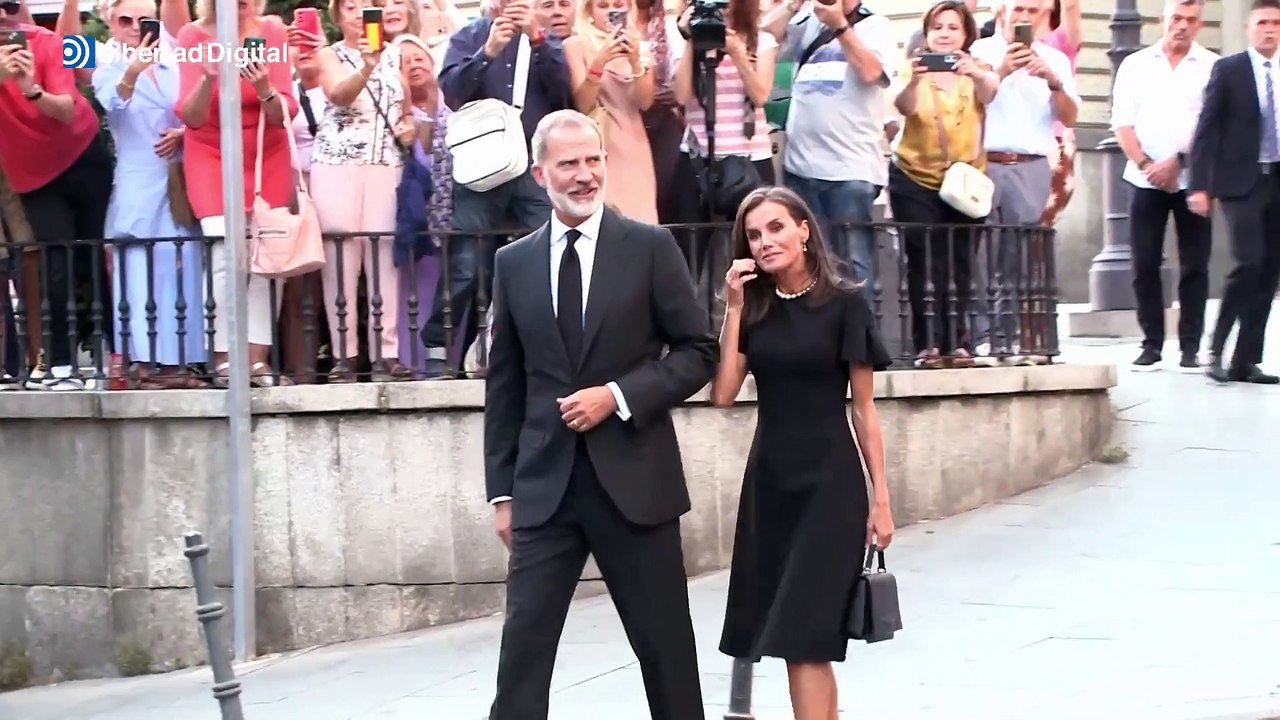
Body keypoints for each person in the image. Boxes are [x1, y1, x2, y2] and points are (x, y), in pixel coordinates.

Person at [483, 109, 716, 720]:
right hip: (544, 492)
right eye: (569, 164)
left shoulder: (649, 247)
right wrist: (501, 494)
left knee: (665, 651)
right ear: (541, 174)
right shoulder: (514, 263)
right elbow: (505, 387)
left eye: (593, 160)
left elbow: (698, 354)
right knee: (522, 661)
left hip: (637, 485)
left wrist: (616, 395)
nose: (585, 175)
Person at [711, 186, 894, 720]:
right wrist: (734, 309)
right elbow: (723, 394)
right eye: (753, 234)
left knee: (804, 637)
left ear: (803, 229)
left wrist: (881, 498)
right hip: (770, 489)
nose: (765, 242)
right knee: (802, 641)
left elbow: (864, 409)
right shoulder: (756, 307)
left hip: (829, 488)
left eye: (775, 228)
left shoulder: (845, 304)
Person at [1111, 0, 1217, 371]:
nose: (1182, 26)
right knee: (1144, 264)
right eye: (1176, 18)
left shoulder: (1211, 67)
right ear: (1162, 20)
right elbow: (1122, 123)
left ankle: (1190, 346)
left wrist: (1179, 162)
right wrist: (1146, 164)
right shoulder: (1135, 65)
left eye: (1190, 20)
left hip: (1195, 180)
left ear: (1199, 24)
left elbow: (1211, 127)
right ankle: (1151, 343)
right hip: (1143, 179)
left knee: (1195, 266)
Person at [1187, 0, 1280, 385]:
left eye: (1276, 23)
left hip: (1277, 178)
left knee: (1270, 273)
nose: (1269, 30)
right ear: (1248, 27)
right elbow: (1206, 130)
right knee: (1248, 265)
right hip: (1242, 182)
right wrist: (1199, 185)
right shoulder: (1229, 70)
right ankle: (1216, 350)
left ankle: (1247, 360)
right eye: (1262, 23)